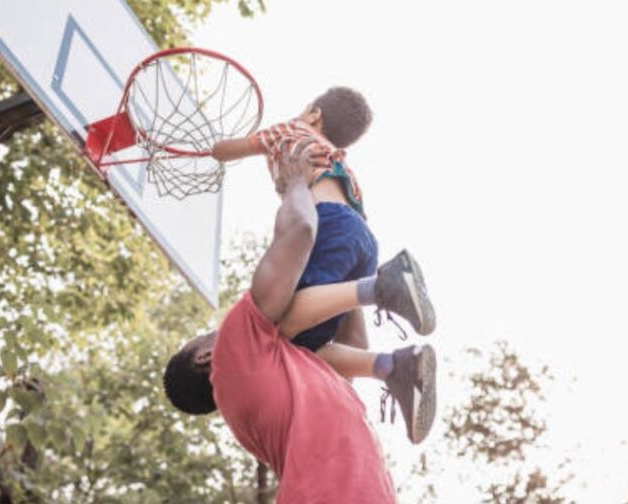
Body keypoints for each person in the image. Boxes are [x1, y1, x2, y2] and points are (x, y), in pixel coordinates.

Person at [162, 139, 436, 502]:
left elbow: (352, 349)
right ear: (204, 357)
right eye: (200, 337)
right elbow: (301, 232)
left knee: (296, 331)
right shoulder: (233, 354)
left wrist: (352, 262)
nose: (214, 330)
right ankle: (380, 290)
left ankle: (392, 365)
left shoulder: (278, 383)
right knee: (282, 314)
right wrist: (294, 183)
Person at [211, 87, 435, 360]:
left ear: (314, 114)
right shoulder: (339, 161)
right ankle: (391, 365)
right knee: (305, 344)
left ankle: (382, 288)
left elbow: (223, 150)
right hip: (363, 239)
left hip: (328, 224)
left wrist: (211, 149)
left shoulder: (291, 130)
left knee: (273, 327)